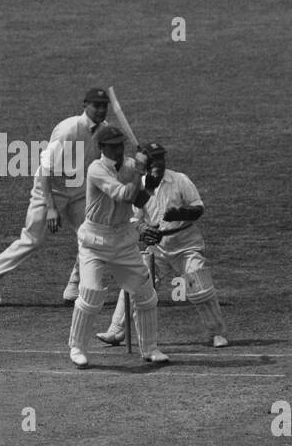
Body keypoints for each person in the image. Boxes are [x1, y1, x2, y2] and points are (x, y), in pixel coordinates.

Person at [0, 87, 113, 305]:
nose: (101, 110)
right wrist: (51, 207)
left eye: (104, 106)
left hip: (79, 192)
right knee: (33, 239)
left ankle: (74, 287)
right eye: (96, 106)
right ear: (85, 105)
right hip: (51, 189)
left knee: (91, 236)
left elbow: (103, 162)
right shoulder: (68, 131)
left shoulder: (104, 129)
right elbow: (45, 170)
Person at [94, 142, 229, 349]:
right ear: (145, 163)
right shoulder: (138, 186)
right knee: (134, 283)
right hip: (157, 248)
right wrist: (143, 230)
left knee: (198, 286)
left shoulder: (179, 180)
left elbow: (198, 208)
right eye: (153, 159)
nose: (158, 163)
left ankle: (217, 333)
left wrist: (180, 213)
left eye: (161, 158)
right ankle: (116, 330)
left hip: (186, 244)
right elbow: (133, 219)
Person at [67, 126, 168, 368]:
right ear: (102, 147)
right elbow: (125, 195)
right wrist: (141, 171)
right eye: (113, 145)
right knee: (90, 294)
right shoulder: (96, 169)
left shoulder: (132, 165)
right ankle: (77, 347)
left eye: (121, 144)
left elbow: (140, 197)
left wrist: (152, 179)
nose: (118, 149)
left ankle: (150, 347)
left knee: (146, 295)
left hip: (123, 238)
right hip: (94, 240)